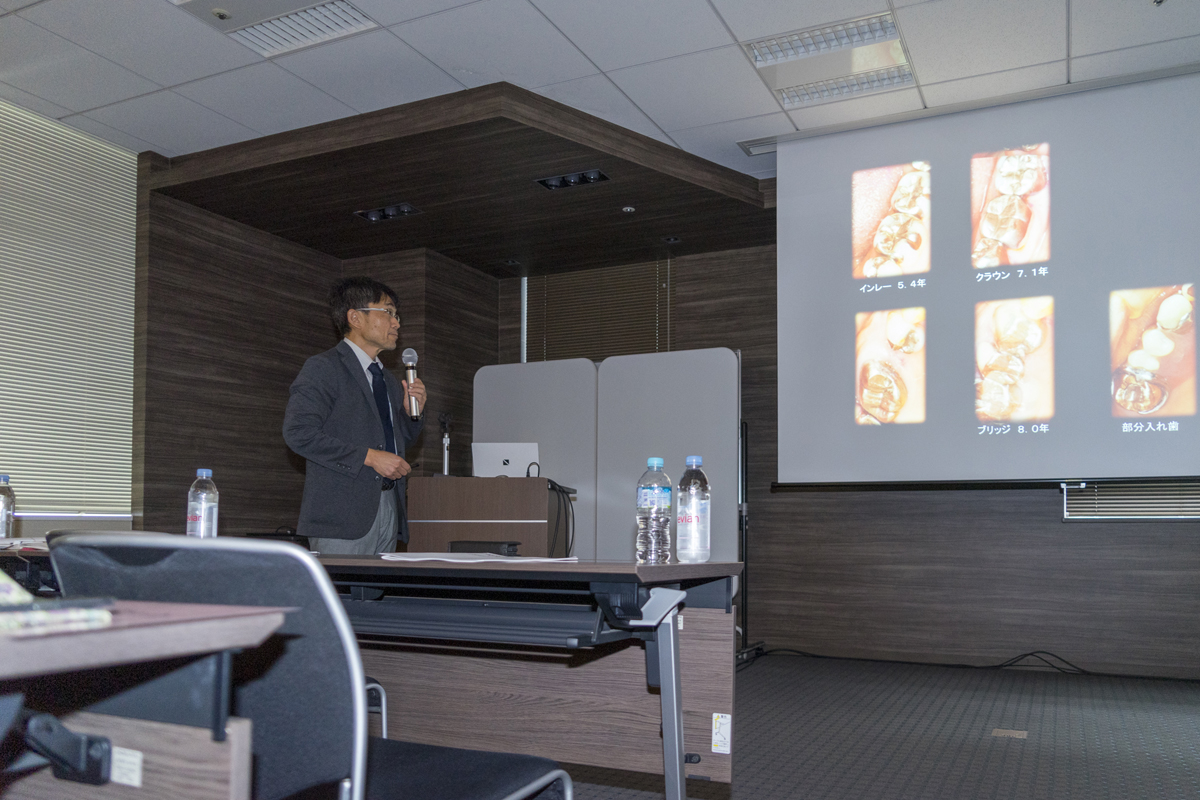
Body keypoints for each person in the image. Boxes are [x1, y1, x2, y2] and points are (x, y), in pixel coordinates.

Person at [283, 277, 426, 554]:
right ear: (355, 318)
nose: (396, 323)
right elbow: (298, 433)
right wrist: (369, 457)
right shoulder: (324, 368)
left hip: (388, 507)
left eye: (397, 316)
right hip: (341, 516)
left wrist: (412, 415)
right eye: (388, 312)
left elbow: (398, 443)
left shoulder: (388, 380)